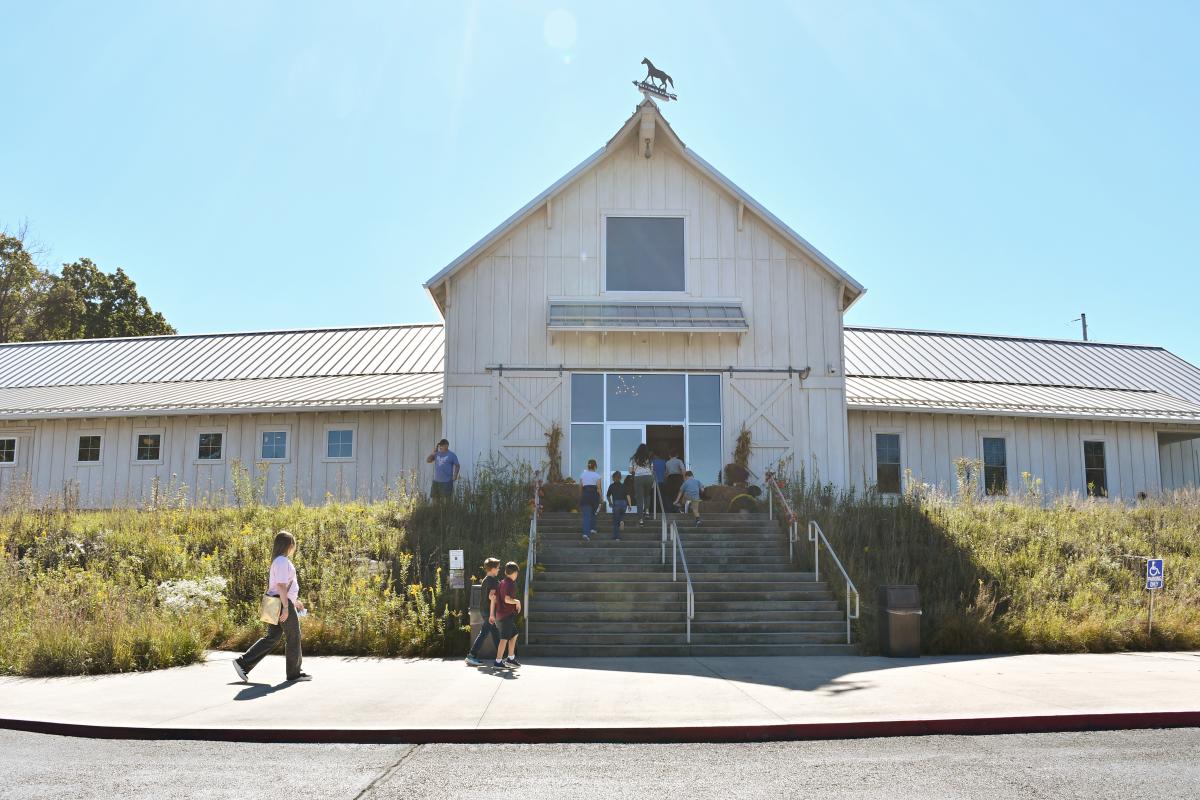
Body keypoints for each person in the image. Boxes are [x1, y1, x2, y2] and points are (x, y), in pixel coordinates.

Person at [233, 531, 311, 683]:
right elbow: (281, 586)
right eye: (293, 544)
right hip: (280, 603)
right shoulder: (282, 561)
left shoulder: (278, 561)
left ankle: (243, 663)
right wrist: (287, 607)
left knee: (272, 638)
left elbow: (280, 586)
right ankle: (294, 673)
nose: (294, 547)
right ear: (289, 545)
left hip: (273, 601)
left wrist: (295, 601)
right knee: (293, 636)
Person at [466, 557, 502, 667]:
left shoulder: (486, 579)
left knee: (495, 633)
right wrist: (492, 614)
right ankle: (471, 655)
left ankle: (501, 658)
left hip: (485, 610)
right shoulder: (492, 581)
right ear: (492, 569)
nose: (499, 570)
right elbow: (492, 597)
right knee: (484, 633)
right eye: (497, 568)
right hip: (489, 612)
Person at [493, 561, 522, 670]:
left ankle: (510, 658)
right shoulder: (509, 583)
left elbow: (494, 597)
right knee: (504, 638)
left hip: (502, 615)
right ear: (514, 573)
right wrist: (517, 602)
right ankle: (498, 661)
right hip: (505, 615)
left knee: (514, 634)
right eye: (517, 573)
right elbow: (507, 599)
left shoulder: (502, 582)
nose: (517, 575)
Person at [629, 443, 655, 525]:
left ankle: (640, 520)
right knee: (647, 494)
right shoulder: (649, 458)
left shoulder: (633, 459)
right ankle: (647, 511)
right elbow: (652, 470)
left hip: (638, 478)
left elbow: (630, 471)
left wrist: (635, 470)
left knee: (639, 498)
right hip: (649, 478)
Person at [579, 458, 602, 540]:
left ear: (588, 466)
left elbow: (580, 487)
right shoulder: (597, 475)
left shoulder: (583, 475)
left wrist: (581, 496)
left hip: (585, 495)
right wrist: (601, 498)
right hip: (594, 496)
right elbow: (599, 488)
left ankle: (585, 533)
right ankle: (593, 528)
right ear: (595, 466)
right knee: (594, 513)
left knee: (586, 515)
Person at [606, 471, 632, 540]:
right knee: (621, 517)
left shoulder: (611, 486)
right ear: (620, 478)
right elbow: (628, 495)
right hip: (624, 504)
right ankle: (621, 521)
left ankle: (616, 537)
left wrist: (610, 502)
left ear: (613, 478)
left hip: (616, 503)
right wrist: (629, 505)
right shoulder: (624, 486)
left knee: (615, 521)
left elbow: (608, 496)